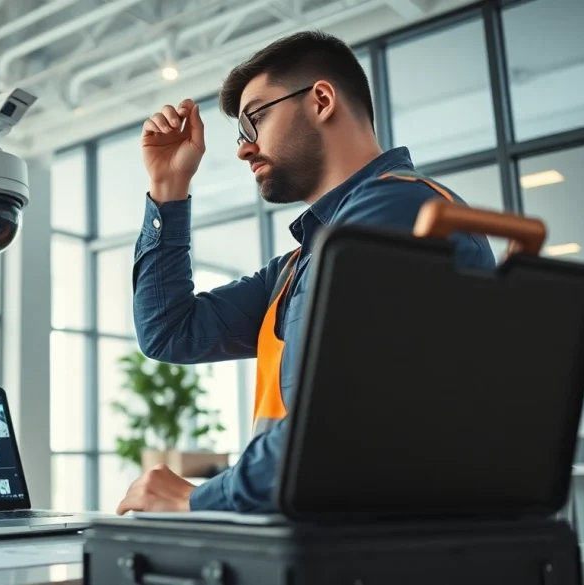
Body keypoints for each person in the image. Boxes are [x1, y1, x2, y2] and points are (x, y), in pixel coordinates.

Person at [117, 31, 495, 515]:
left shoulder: (401, 214)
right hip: (326, 537)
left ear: (320, 100)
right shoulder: (305, 260)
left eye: (255, 120)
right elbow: (169, 332)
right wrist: (168, 186)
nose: (242, 150)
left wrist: (197, 498)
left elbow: (337, 426)